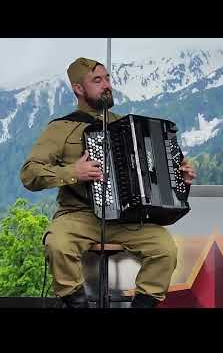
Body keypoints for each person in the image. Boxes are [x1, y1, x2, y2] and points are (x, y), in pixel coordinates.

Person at [20, 57, 196, 308]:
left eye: (107, 79)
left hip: (123, 217)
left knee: (164, 248)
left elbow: (152, 180)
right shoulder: (60, 129)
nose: (106, 85)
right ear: (78, 89)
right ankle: (76, 302)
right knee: (57, 244)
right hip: (78, 215)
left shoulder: (127, 126)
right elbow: (29, 174)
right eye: (97, 80)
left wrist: (180, 179)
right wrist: (74, 171)